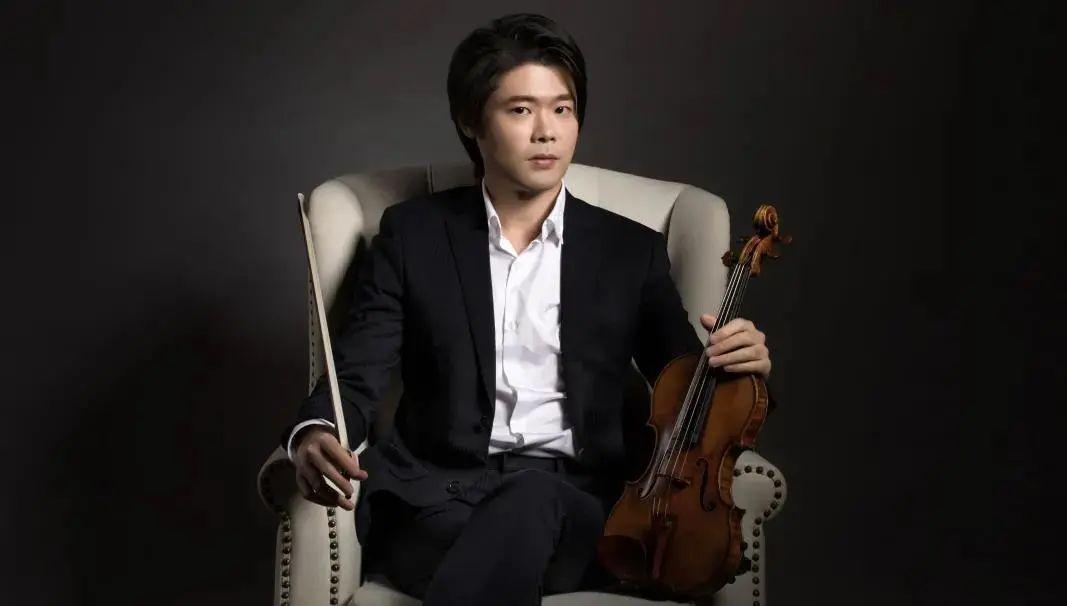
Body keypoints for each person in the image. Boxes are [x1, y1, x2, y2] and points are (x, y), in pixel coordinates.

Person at [282, 12, 776, 605]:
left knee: (532, 502)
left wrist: (742, 365)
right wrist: (316, 431)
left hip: (584, 509)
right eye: (520, 110)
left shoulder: (629, 250)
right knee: (498, 539)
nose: (547, 132)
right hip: (441, 505)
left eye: (562, 109)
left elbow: (689, 395)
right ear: (471, 121)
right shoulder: (413, 235)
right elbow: (357, 373)